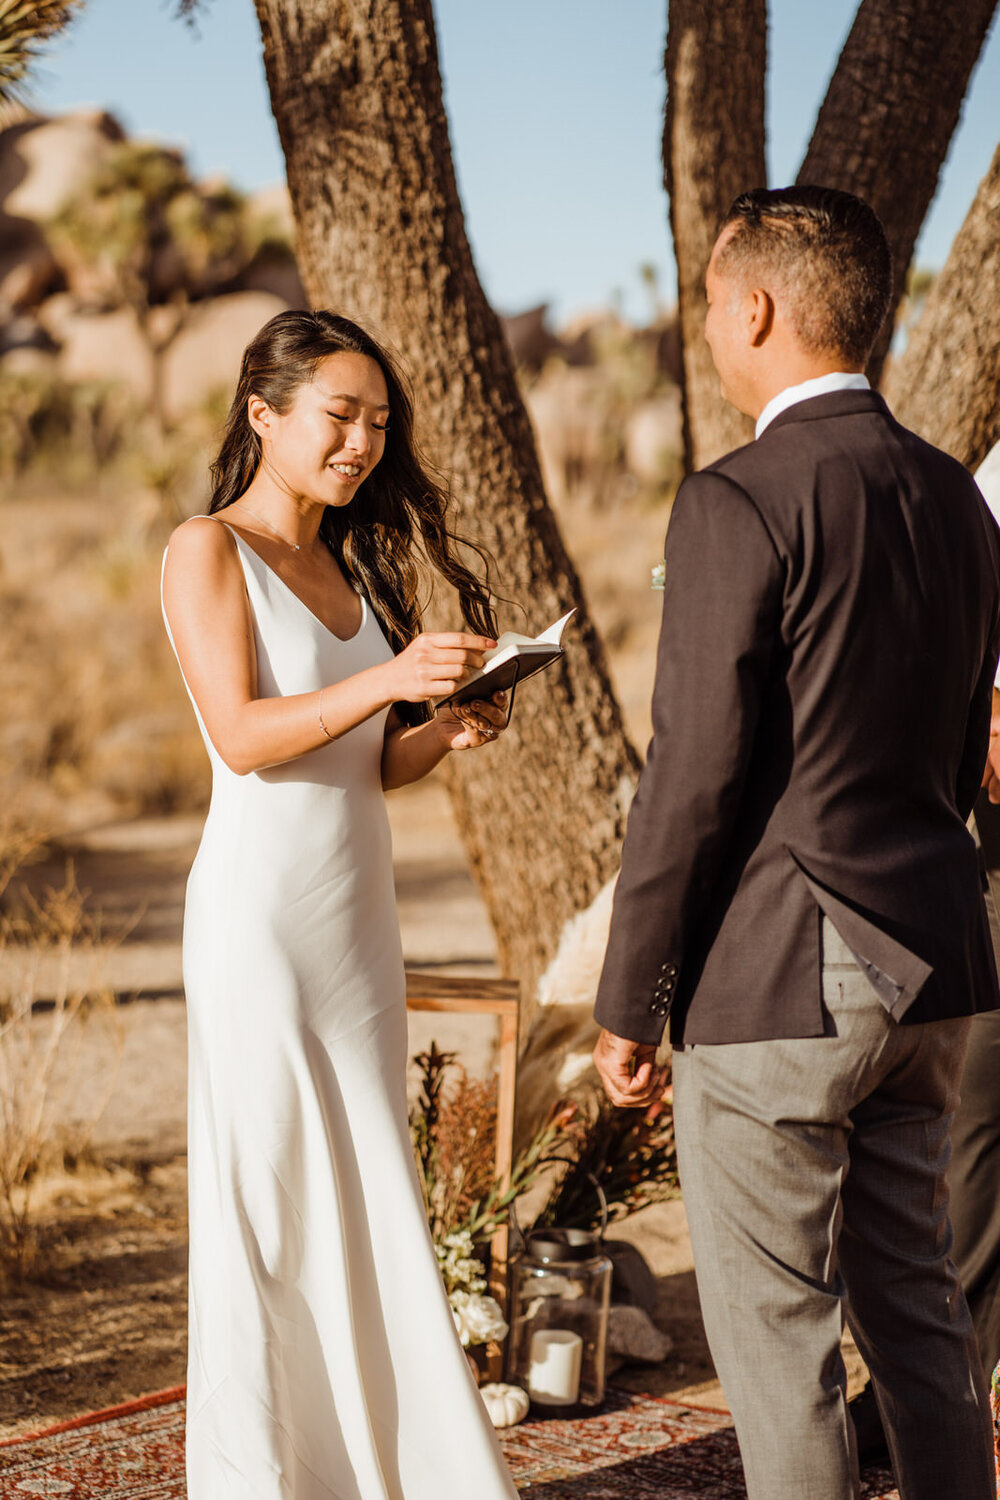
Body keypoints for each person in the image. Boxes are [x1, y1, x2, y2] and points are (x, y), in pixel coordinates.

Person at [590, 186, 1000, 1500]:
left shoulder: (738, 497)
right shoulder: (957, 498)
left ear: (754, 307)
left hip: (785, 978)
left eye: (712, 302)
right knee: (926, 1330)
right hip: (937, 965)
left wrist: (632, 997)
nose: (709, 326)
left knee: (780, 1352)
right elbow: (951, 754)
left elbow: (696, 776)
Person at [160, 309, 518, 1500]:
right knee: (269, 1205)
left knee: (369, 1194)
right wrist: (390, 678)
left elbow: (364, 765)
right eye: (339, 416)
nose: (362, 442)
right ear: (264, 416)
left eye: (377, 421)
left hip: (354, 925)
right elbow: (245, 739)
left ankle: (388, 1473)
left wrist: (443, 732)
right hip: (259, 928)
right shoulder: (205, 550)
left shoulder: (351, 567)